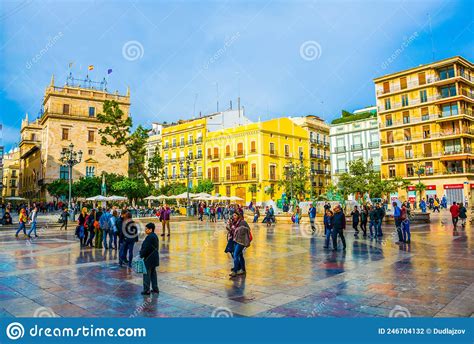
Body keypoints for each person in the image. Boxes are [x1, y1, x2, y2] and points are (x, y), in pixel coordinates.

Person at [227, 212, 251, 277]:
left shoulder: (242, 222)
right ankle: (242, 269)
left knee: (235, 254)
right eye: (233, 215)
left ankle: (235, 271)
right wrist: (229, 226)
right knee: (240, 255)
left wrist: (240, 229)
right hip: (235, 240)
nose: (233, 216)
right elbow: (232, 231)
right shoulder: (234, 223)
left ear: (238, 216)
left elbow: (248, 229)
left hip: (241, 241)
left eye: (235, 215)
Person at [140, 223, 160, 295]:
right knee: (153, 274)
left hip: (149, 259)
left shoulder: (149, 237)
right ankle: (155, 288)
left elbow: (146, 248)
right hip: (154, 259)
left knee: (146, 274)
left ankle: (146, 290)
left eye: (146, 229)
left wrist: (141, 254)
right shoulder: (154, 236)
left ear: (150, 229)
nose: (145, 230)